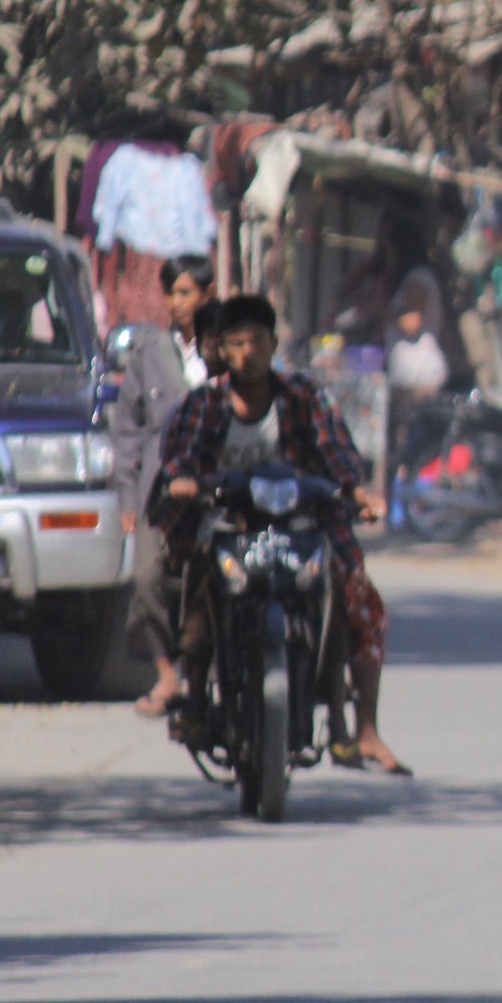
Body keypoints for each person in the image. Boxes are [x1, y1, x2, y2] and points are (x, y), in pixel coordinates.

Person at [159, 295, 408, 775]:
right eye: (236, 343)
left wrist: (355, 492)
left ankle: (348, 722)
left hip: (299, 526)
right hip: (229, 525)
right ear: (222, 351)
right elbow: (180, 459)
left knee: (346, 591)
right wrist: (183, 481)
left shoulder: (304, 396)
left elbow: (337, 456)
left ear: (274, 344)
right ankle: (193, 695)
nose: (248, 352)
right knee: (200, 583)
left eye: (257, 341)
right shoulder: (204, 404)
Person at [115, 255, 216, 717]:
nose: (177, 303)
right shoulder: (149, 353)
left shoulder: (229, 348)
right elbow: (129, 429)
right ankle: (166, 675)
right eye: (172, 293)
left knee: (215, 579)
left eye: (186, 293)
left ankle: (208, 674)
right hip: (159, 490)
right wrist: (127, 493)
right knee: (147, 578)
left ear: (207, 296)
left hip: (216, 487)